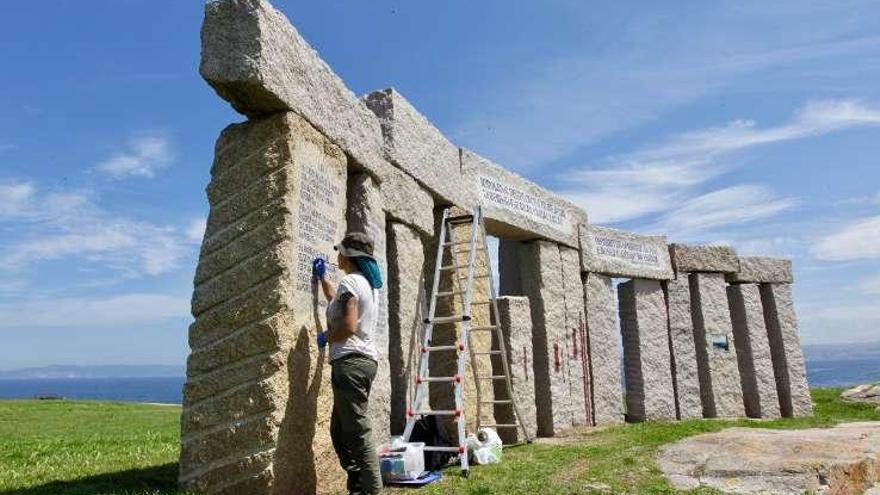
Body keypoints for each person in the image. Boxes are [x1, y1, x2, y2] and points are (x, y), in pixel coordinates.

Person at [313, 231, 384, 495]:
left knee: (358, 432)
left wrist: (326, 337)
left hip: (350, 364)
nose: (337, 254)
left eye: (340, 251)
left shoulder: (351, 282)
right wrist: (322, 278)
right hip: (363, 362)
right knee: (340, 429)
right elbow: (337, 301)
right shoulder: (362, 283)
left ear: (350, 256)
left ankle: (372, 491)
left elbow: (349, 325)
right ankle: (357, 484)